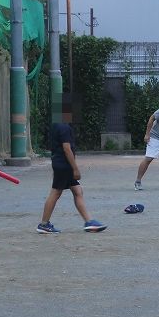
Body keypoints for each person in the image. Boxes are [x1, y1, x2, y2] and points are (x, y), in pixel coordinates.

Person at [37, 98, 107, 234]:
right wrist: (75, 168)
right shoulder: (64, 127)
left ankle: (89, 222)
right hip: (64, 165)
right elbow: (67, 149)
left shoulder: (56, 125)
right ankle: (44, 224)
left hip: (59, 163)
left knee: (77, 191)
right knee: (56, 192)